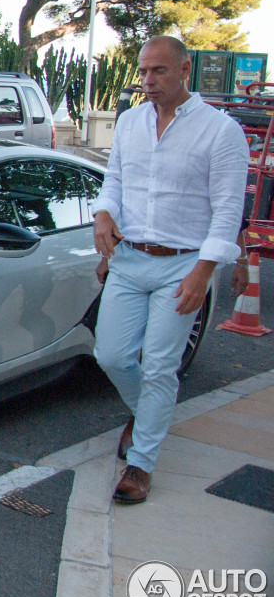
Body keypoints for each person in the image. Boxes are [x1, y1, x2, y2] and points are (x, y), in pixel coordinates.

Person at [91, 35, 248, 505]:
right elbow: (115, 180)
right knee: (112, 356)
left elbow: (226, 211)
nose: (147, 81)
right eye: (142, 72)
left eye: (158, 71)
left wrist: (205, 271)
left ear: (184, 71)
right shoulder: (131, 122)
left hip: (183, 264)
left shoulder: (221, 132)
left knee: (160, 366)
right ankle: (149, 415)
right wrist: (103, 215)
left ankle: (141, 464)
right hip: (130, 259)